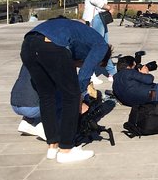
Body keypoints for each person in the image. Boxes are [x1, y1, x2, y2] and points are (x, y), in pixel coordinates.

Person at [19, 17, 112, 163]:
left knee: (46, 96)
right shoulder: (101, 45)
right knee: (72, 96)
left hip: (28, 44)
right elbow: (83, 75)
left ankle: (53, 146)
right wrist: (80, 97)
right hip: (52, 46)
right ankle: (66, 150)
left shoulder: (80, 36)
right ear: (101, 60)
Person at [82, 0, 117, 82]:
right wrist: (108, 7)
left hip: (99, 16)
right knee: (98, 46)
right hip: (95, 17)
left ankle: (112, 72)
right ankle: (90, 74)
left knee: (103, 45)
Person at [11, 64, 46, 140]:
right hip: (33, 107)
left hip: (15, 103)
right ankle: (46, 128)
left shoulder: (29, 54)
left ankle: (28, 122)